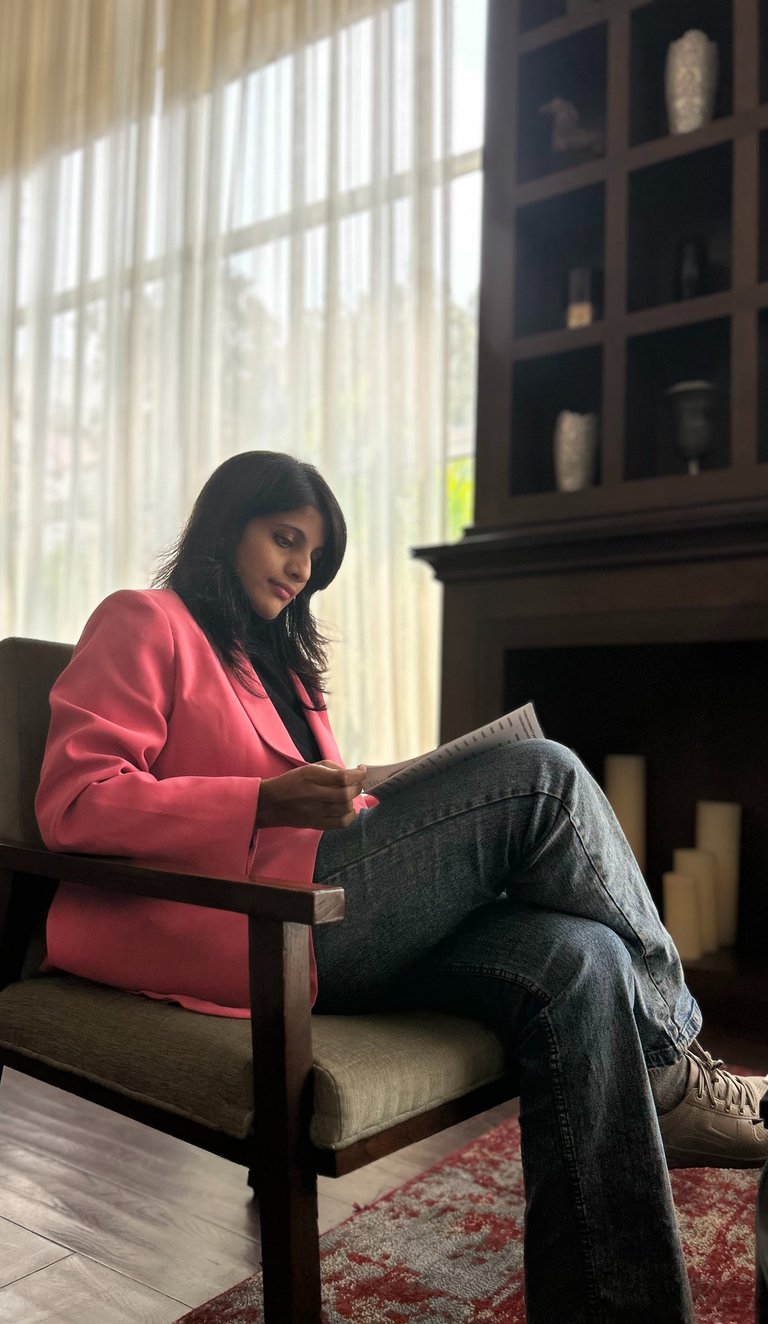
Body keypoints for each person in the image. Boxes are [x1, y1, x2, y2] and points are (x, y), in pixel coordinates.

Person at [35, 450, 768, 1323]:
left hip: (339, 914)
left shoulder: (285, 673)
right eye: (286, 538)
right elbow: (75, 802)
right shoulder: (143, 621)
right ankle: (675, 1062)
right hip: (255, 927)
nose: (302, 569)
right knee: (545, 777)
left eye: (314, 556)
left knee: (582, 953)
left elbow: (326, 812)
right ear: (225, 525)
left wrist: (378, 785)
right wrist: (262, 800)